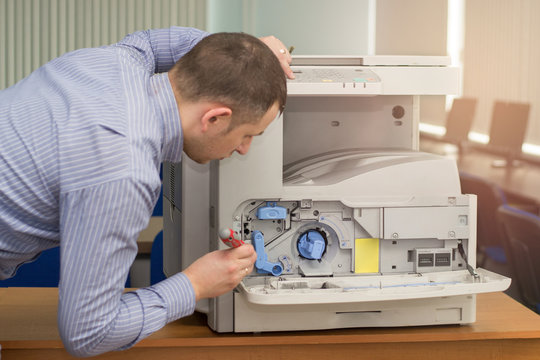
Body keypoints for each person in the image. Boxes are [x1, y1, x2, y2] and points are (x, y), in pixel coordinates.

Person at [0, 26, 291, 357]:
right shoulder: (124, 172)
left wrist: (250, 56)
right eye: (248, 134)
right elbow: (88, 332)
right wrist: (196, 283)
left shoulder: (118, 60)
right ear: (214, 119)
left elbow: (152, 43)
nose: (244, 149)